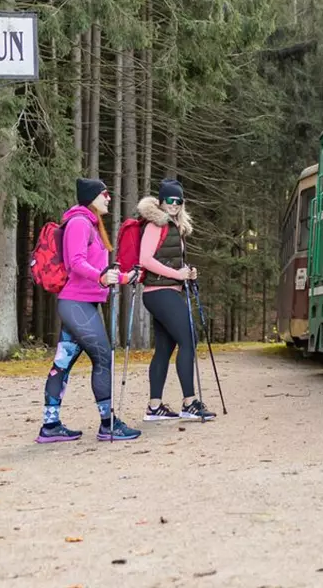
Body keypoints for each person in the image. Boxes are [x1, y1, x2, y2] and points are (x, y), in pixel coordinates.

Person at [36, 178, 142, 443]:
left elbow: (96, 268)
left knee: (62, 364)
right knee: (103, 357)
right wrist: (101, 278)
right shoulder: (80, 223)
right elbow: (76, 264)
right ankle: (108, 425)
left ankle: (50, 426)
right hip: (77, 304)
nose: (108, 198)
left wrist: (124, 276)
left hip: (80, 304)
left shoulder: (91, 225)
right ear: (92, 197)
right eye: (104, 194)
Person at [137, 178, 216, 422]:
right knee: (189, 339)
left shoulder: (175, 227)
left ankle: (154, 406)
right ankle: (190, 402)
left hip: (167, 291)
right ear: (160, 201)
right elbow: (145, 259)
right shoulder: (155, 225)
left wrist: (187, 272)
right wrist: (176, 274)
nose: (174, 204)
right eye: (169, 200)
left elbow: (169, 260)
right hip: (160, 293)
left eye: (178, 200)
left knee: (165, 347)